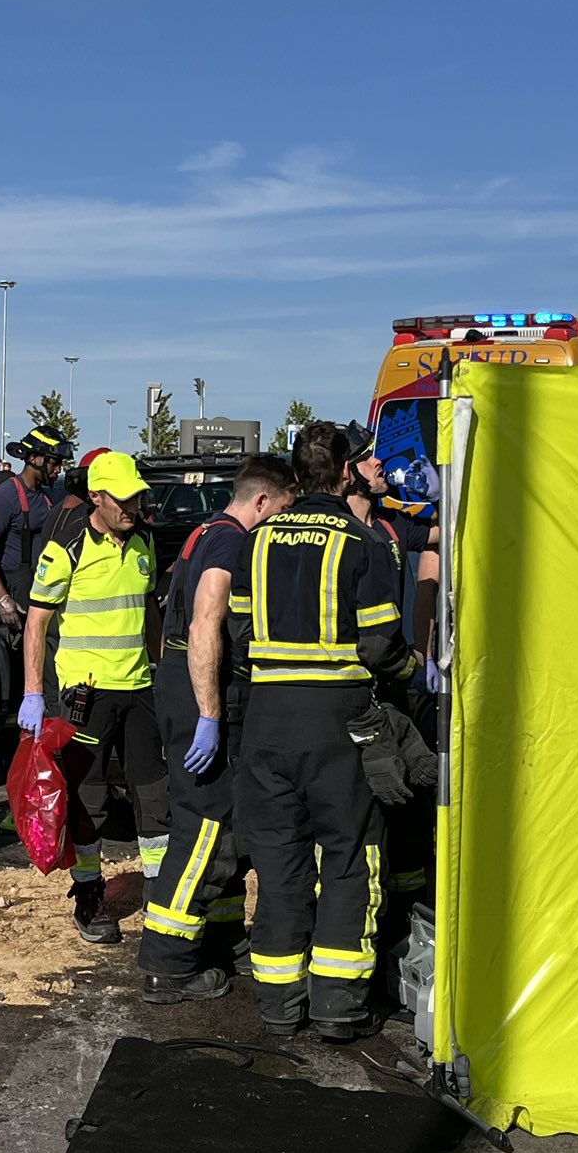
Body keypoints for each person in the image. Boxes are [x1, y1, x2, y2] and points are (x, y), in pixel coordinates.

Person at [230, 422, 414, 1042]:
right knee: (349, 855)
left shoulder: (255, 541)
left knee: (279, 861)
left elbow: (235, 633)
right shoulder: (362, 541)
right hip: (337, 724)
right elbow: (381, 643)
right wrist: (413, 674)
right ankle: (337, 1003)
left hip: (265, 721)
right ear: (342, 473)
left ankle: (280, 1003)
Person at [136, 454, 296, 1004]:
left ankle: (220, 939)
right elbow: (206, 620)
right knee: (202, 825)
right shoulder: (231, 541)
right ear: (261, 502)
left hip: (183, 682)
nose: (283, 522)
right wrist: (208, 714)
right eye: (282, 509)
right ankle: (168, 960)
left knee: (225, 822)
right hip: (202, 688)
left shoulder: (204, 531)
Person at [18, 450, 166, 944]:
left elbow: (148, 609)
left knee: (154, 797)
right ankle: (88, 895)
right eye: (124, 499)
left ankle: (161, 894)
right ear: (97, 497)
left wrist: (161, 666)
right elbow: (36, 621)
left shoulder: (144, 540)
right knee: (90, 801)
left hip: (139, 688)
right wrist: (34, 692)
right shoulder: (67, 548)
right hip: (87, 694)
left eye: (137, 496)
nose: (134, 506)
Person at [339, 422, 442, 909]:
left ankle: (400, 920)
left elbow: (444, 530)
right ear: (346, 473)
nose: (380, 463)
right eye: (367, 458)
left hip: (393, 689)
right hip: (349, 697)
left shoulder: (390, 524)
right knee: (355, 812)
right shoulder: (330, 531)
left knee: (406, 808)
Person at [0, 425, 72, 643]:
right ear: (36, 459)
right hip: (16, 596)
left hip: (41, 590)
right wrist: (2, 599)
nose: (58, 469)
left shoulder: (47, 496)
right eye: (54, 463)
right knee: (19, 668)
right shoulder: (7, 495)